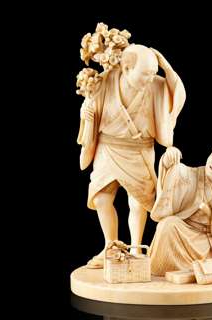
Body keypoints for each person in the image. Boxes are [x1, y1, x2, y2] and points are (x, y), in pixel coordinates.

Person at [78, 44, 186, 267]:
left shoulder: (156, 86)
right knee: (101, 198)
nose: (151, 78)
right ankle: (111, 246)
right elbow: (90, 108)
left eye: (153, 72)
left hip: (139, 150)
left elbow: (177, 94)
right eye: (146, 73)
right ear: (126, 69)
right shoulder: (105, 81)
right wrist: (85, 113)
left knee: (138, 202)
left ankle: (136, 248)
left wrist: (166, 67)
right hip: (108, 148)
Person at [149, 144, 212, 276]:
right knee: (167, 225)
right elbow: (176, 171)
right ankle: (199, 268)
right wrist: (167, 160)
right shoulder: (190, 175)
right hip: (187, 234)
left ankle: (198, 267)